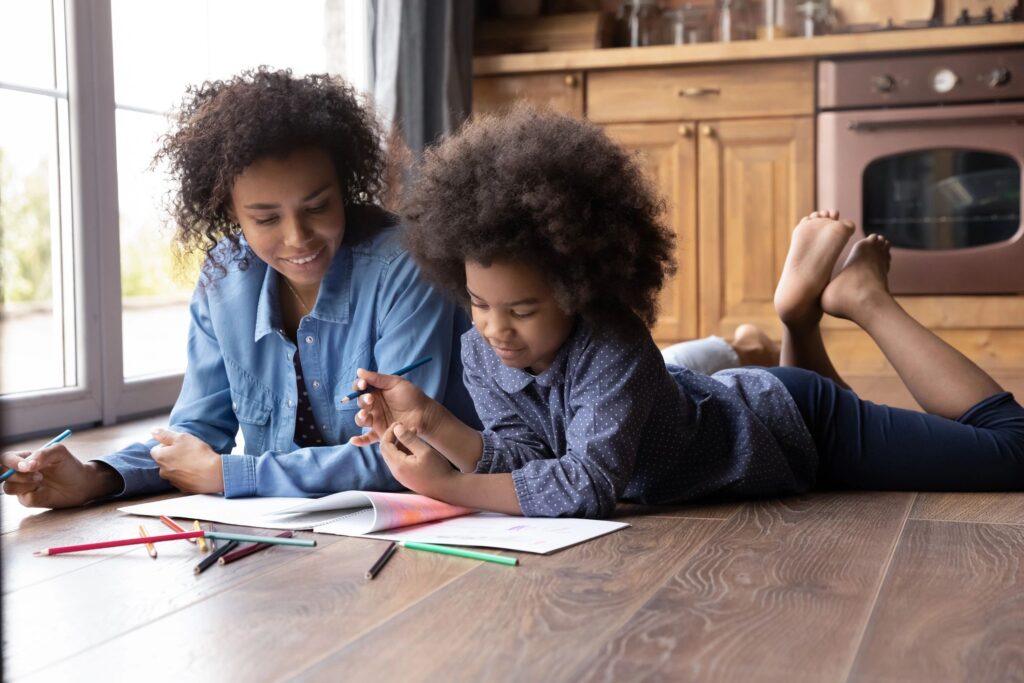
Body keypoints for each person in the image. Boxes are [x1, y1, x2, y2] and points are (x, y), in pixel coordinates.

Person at [348, 106, 1024, 518]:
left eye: (522, 309)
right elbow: (528, 456)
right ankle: (798, 316)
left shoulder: (612, 342)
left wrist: (449, 488)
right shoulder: (481, 348)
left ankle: (865, 298)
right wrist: (431, 420)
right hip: (757, 419)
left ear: (581, 285)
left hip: (796, 425)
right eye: (479, 303)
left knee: (1012, 451)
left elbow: (586, 484)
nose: (496, 328)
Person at [1, 68, 481, 508]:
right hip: (288, 532)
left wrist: (234, 474)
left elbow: (407, 452)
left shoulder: (405, 265)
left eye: (318, 206)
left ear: (345, 188)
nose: (298, 238)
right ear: (230, 212)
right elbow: (194, 435)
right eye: (266, 218)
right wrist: (93, 477)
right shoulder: (225, 276)